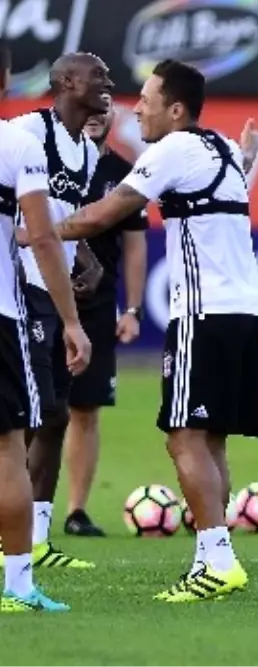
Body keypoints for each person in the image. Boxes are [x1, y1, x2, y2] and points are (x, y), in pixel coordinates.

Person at [50, 59, 258, 602]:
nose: (136, 110)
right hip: (246, 312)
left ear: (175, 109)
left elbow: (106, 213)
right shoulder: (220, 147)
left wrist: (36, 231)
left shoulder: (172, 149)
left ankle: (218, 560)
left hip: (204, 314)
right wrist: (247, 157)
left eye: (146, 100)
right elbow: (226, 187)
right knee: (210, 437)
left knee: (182, 436)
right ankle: (212, 559)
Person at [3, 52, 111, 570]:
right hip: (23, 288)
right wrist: (33, 241)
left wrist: (87, 260)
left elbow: (64, 221)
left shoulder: (86, 152)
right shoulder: (28, 133)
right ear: (67, 82)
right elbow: (28, 220)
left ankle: (38, 538)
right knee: (27, 416)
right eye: (98, 76)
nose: (108, 83)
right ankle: (15, 538)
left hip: (56, 291)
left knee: (54, 415)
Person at [62, 108, 148, 538]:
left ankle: (76, 510)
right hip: (40, 301)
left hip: (96, 307)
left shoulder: (123, 172)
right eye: (90, 104)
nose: (96, 114)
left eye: (105, 105)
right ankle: (22, 507)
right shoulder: (46, 160)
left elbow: (134, 246)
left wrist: (132, 309)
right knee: (29, 411)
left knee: (86, 408)